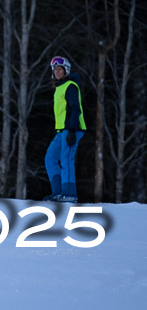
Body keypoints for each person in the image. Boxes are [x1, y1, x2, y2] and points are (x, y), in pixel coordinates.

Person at [44, 55, 86, 203]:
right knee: (50, 158)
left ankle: (69, 194)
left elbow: (75, 109)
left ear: (66, 70)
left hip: (72, 129)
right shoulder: (59, 87)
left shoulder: (71, 86)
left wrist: (72, 130)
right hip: (62, 130)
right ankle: (58, 192)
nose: (57, 71)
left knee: (66, 158)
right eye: (55, 69)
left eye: (60, 69)